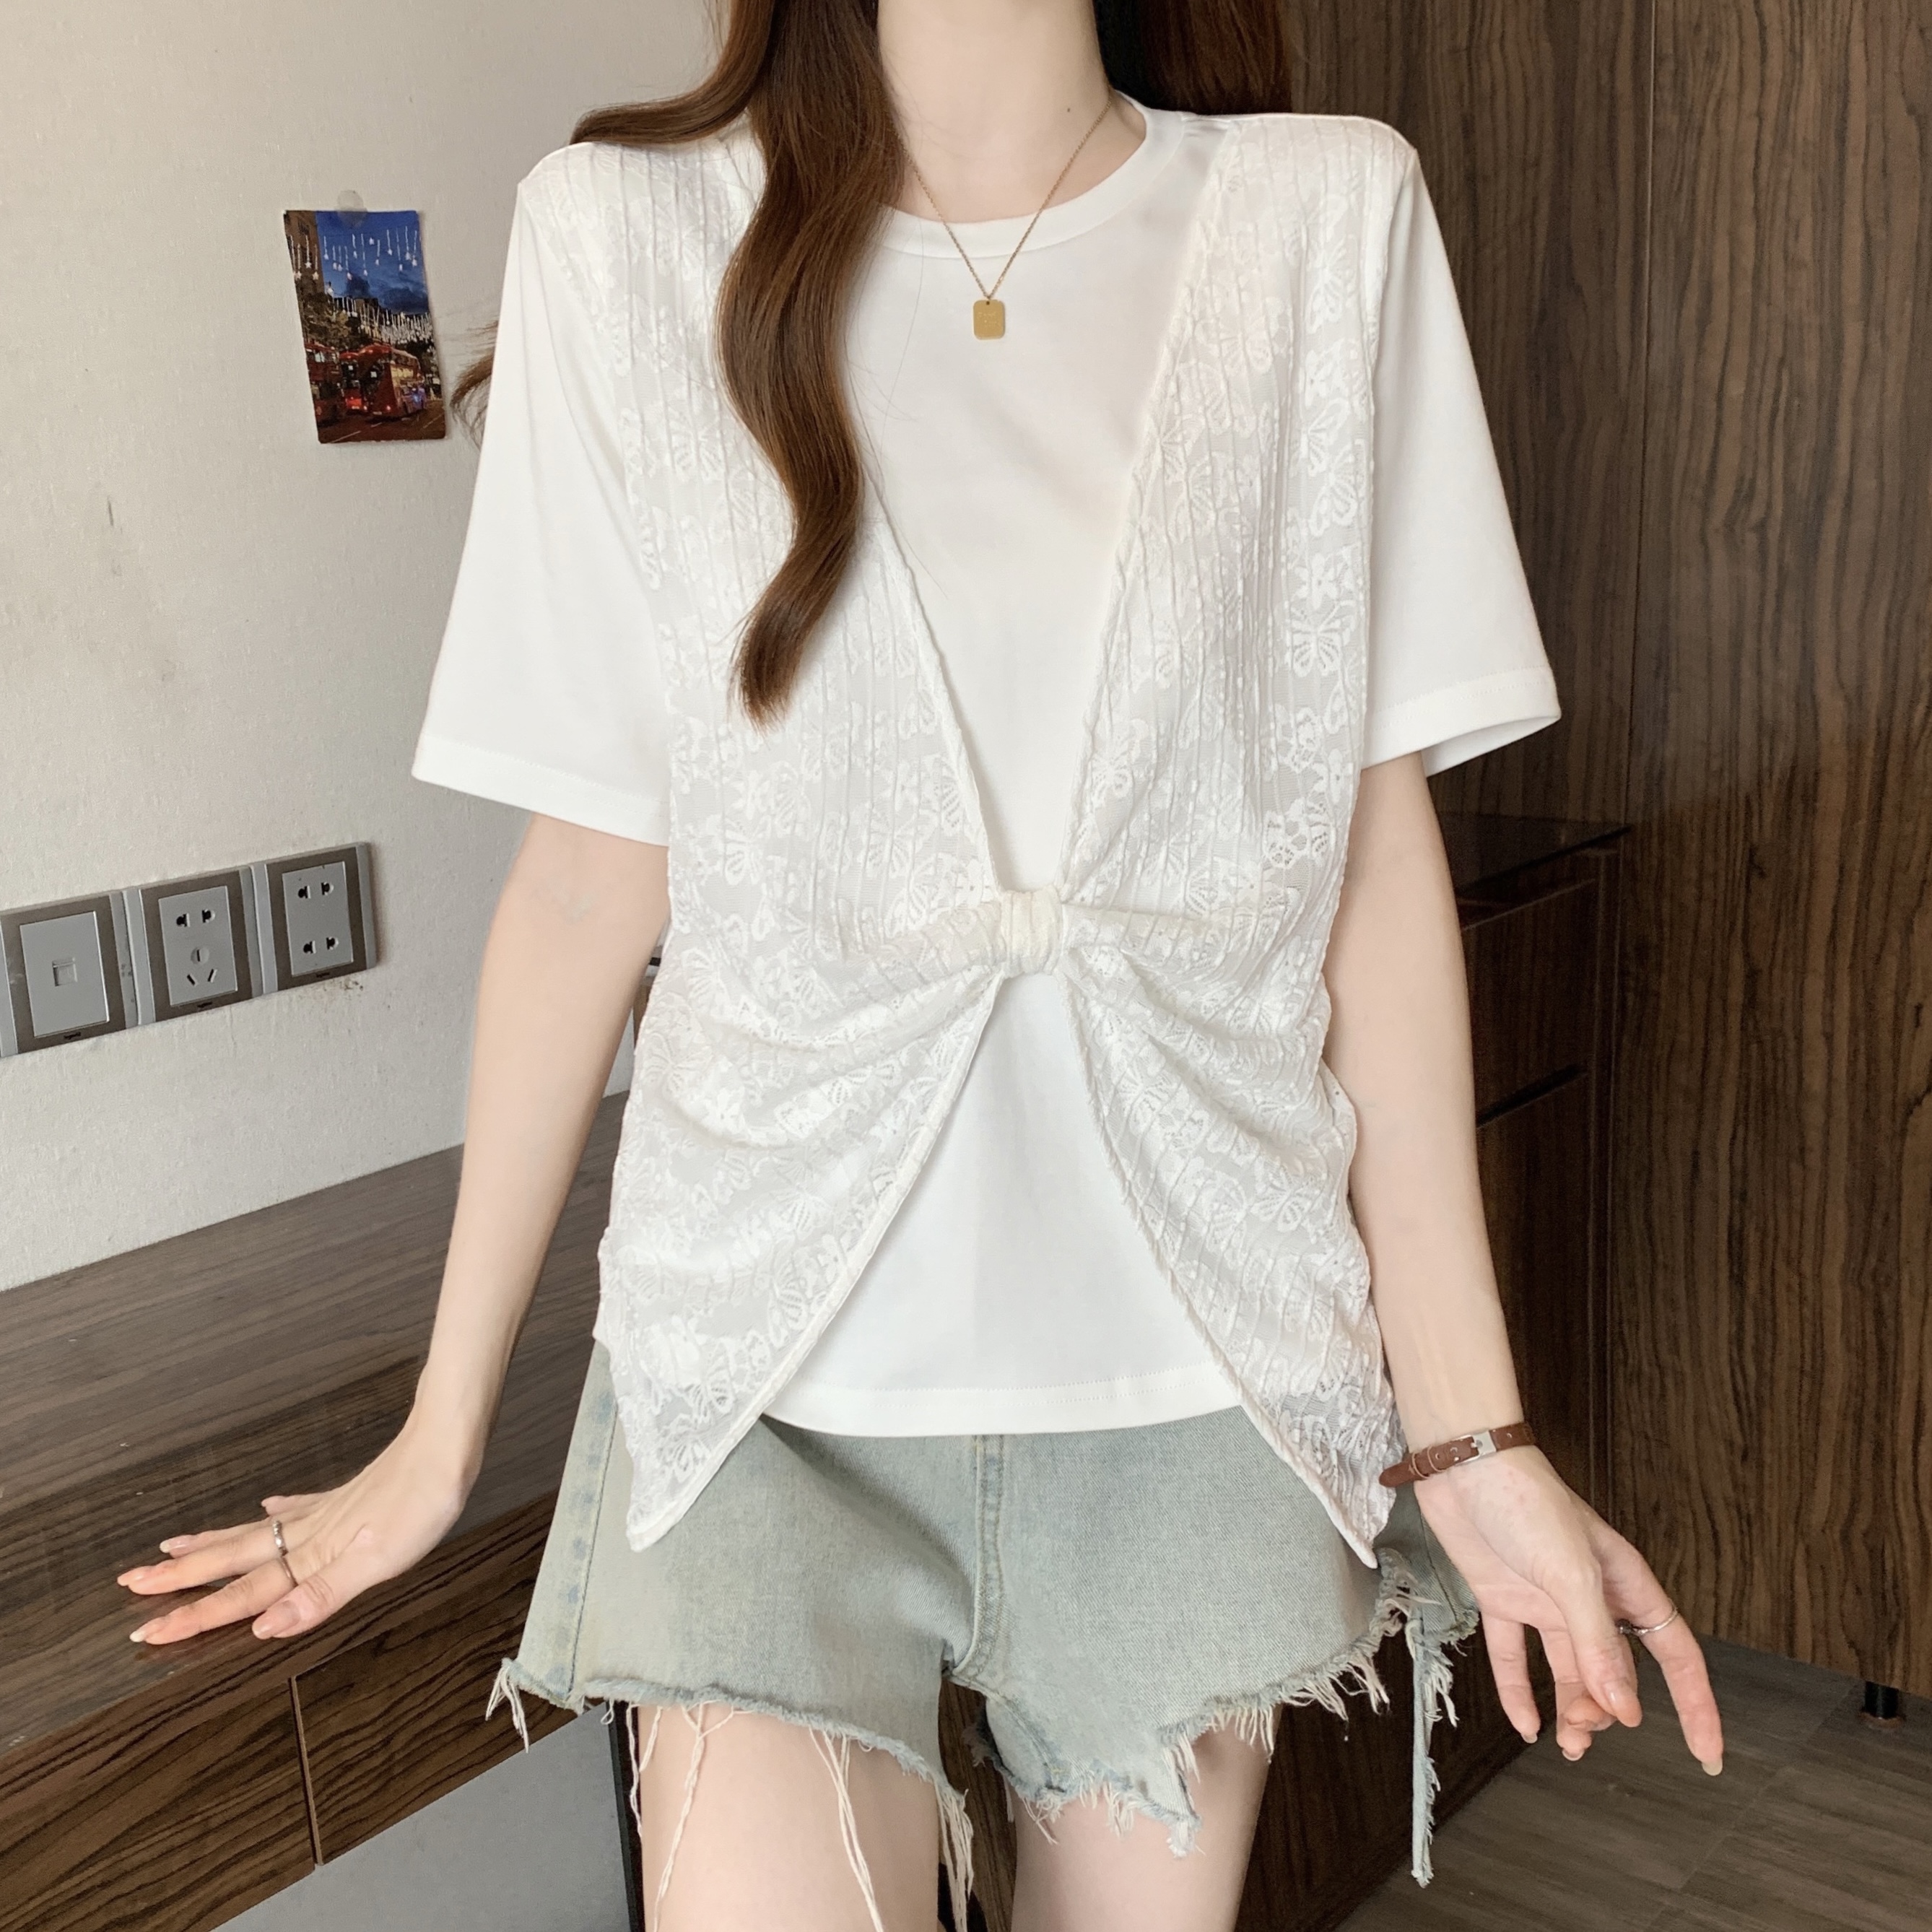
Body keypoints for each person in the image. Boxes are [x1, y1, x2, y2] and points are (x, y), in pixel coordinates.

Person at [118, 3, 1725, 1927]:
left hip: (1200, 1370)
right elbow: (587, 885)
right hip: (761, 1382)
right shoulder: (618, 234)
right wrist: (441, 1429)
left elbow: (1365, 859)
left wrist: (1472, 1432)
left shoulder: (1326, 218)